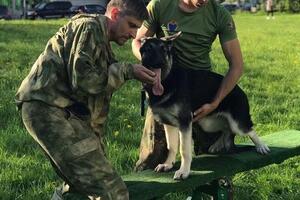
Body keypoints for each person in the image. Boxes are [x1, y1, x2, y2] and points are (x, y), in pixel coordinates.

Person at [15, 0, 156, 199]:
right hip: (46, 109)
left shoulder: (101, 42)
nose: (134, 34)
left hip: (63, 112)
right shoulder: (88, 28)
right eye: (132, 25)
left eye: (137, 28)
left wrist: (97, 147)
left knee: (82, 189)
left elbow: (95, 102)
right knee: (112, 191)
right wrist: (127, 70)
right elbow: (84, 82)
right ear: (115, 14)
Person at [132, 0, 244, 170]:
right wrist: (153, 65)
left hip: (201, 93)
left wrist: (215, 102)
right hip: (164, 91)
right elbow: (138, 41)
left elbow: (236, 66)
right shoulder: (160, 5)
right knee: (151, 161)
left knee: (218, 158)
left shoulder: (219, 14)